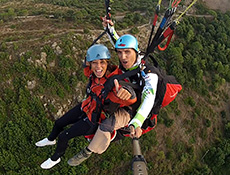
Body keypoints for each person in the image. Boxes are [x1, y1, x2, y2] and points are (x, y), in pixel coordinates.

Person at [67, 17, 182, 166]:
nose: (123, 57)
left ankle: (88, 151)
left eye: (127, 52)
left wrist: (137, 122)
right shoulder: (130, 59)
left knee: (106, 125)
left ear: (135, 51)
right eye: (120, 53)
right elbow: (117, 41)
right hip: (123, 95)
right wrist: (110, 28)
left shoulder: (149, 74)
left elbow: (148, 100)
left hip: (134, 108)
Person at [35, 44, 137, 169]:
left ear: (108, 63)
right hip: (87, 106)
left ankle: (55, 158)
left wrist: (127, 92)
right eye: (94, 63)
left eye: (102, 62)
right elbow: (86, 69)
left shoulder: (115, 81)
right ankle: (51, 139)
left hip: (94, 118)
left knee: (63, 136)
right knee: (58, 123)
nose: (98, 67)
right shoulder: (93, 73)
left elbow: (129, 97)